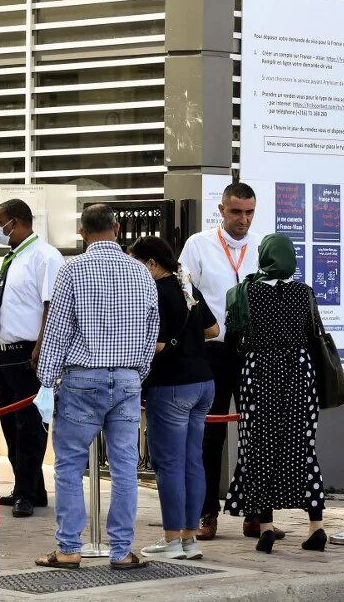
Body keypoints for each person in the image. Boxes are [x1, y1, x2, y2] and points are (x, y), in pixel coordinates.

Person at [34, 204, 159, 571]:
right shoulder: (140, 272)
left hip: (83, 378)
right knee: (124, 467)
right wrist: (137, 372)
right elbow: (153, 330)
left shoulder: (73, 269)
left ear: (83, 233)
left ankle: (68, 548)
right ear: (117, 228)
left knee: (70, 465)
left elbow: (57, 330)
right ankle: (121, 551)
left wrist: (45, 379)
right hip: (127, 379)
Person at [179, 181, 276, 541]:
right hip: (215, 351)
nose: (243, 219)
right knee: (211, 434)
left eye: (249, 212)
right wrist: (206, 326)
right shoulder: (199, 245)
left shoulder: (263, 246)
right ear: (221, 210)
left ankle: (257, 515)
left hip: (254, 352)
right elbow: (186, 292)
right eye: (236, 211)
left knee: (258, 434)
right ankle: (207, 513)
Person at [223, 234, 327, 554]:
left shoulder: (243, 293)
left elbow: (233, 340)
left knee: (260, 449)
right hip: (299, 371)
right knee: (302, 448)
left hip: (259, 373)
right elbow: (315, 336)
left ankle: (266, 527)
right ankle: (316, 526)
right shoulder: (304, 293)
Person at [128, 236, 219, 561]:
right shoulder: (186, 288)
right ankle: (189, 539)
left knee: (168, 464)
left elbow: (159, 345)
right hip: (204, 383)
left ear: (151, 264)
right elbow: (213, 329)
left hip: (171, 387)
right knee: (192, 461)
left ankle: (171, 540)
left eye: (136, 263)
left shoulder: (154, 291)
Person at [0, 199, 63, 518]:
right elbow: (1, 306)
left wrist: (41, 348)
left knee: (30, 426)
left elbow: (50, 305)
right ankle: (27, 486)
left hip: (29, 354)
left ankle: (27, 493)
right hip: (6, 355)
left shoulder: (45, 256)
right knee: (10, 426)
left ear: (14, 222)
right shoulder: (11, 258)